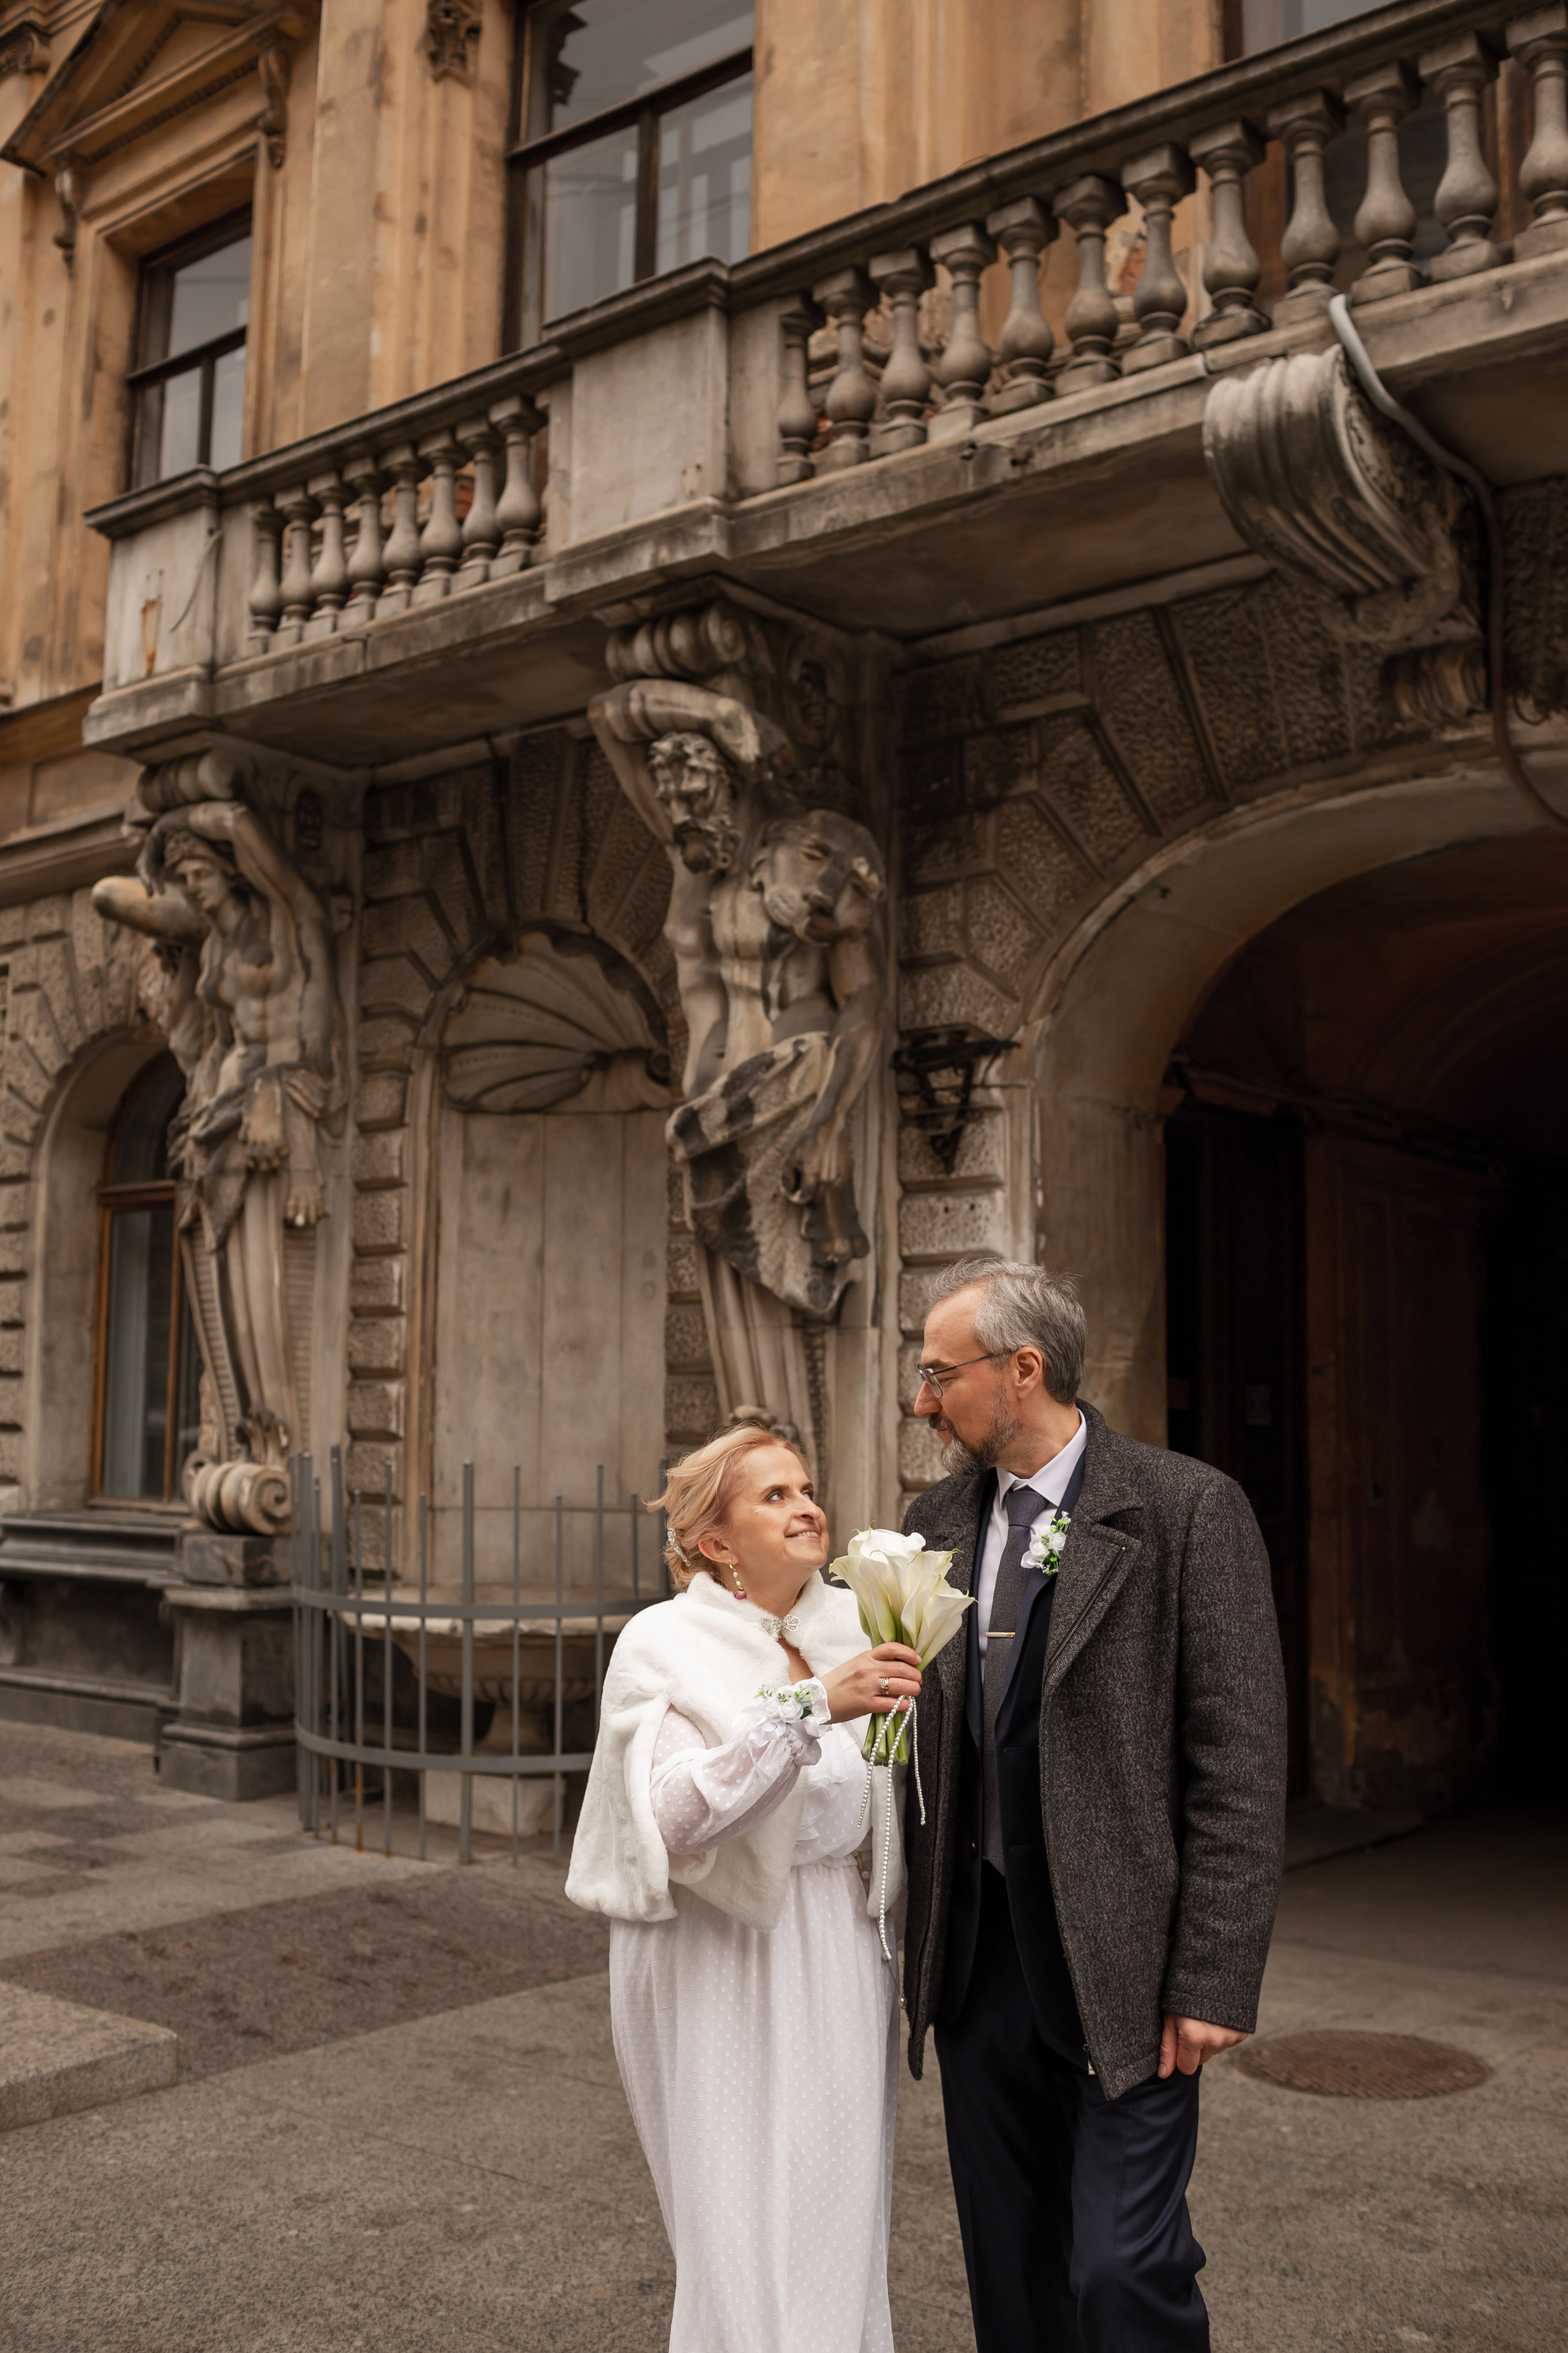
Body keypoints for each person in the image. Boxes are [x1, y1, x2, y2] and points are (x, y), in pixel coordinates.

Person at [901, 1257, 1287, 2353]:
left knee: (1123, 2270)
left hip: (1128, 1973)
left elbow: (1241, 1763)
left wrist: (1213, 1973)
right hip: (978, 1971)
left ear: (1022, 1370)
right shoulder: (930, 1521)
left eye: (941, 1373)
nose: (923, 1400)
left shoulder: (1185, 1509)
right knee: (1010, 2275)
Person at [567, 1424, 922, 2353]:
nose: (808, 1506)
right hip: (714, 1950)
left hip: (838, 1942)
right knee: (739, 2214)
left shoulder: (854, 1622)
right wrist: (809, 1710)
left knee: (837, 2202)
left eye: (806, 1488)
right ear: (716, 1541)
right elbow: (674, 1816)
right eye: (774, 1495)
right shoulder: (664, 1642)